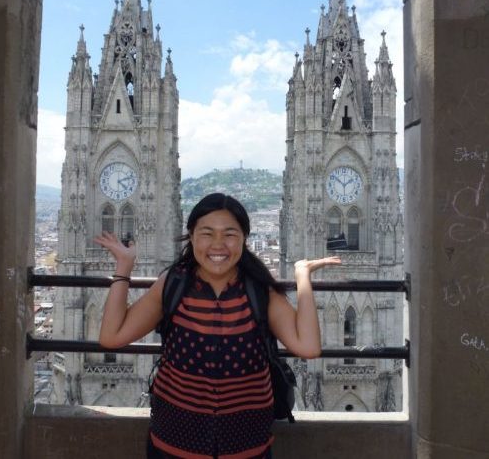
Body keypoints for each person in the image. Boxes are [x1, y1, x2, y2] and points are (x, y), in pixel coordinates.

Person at [95, 193, 341, 459]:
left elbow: (308, 347)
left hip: (246, 448)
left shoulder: (258, 290)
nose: (218, 245)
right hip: (174, 445)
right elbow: (112, 337)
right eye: (207, 233)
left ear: (244, 239)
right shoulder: (173, 284)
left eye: (230, 234)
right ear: (191, 236)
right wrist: (124, 267)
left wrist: (302, 276)